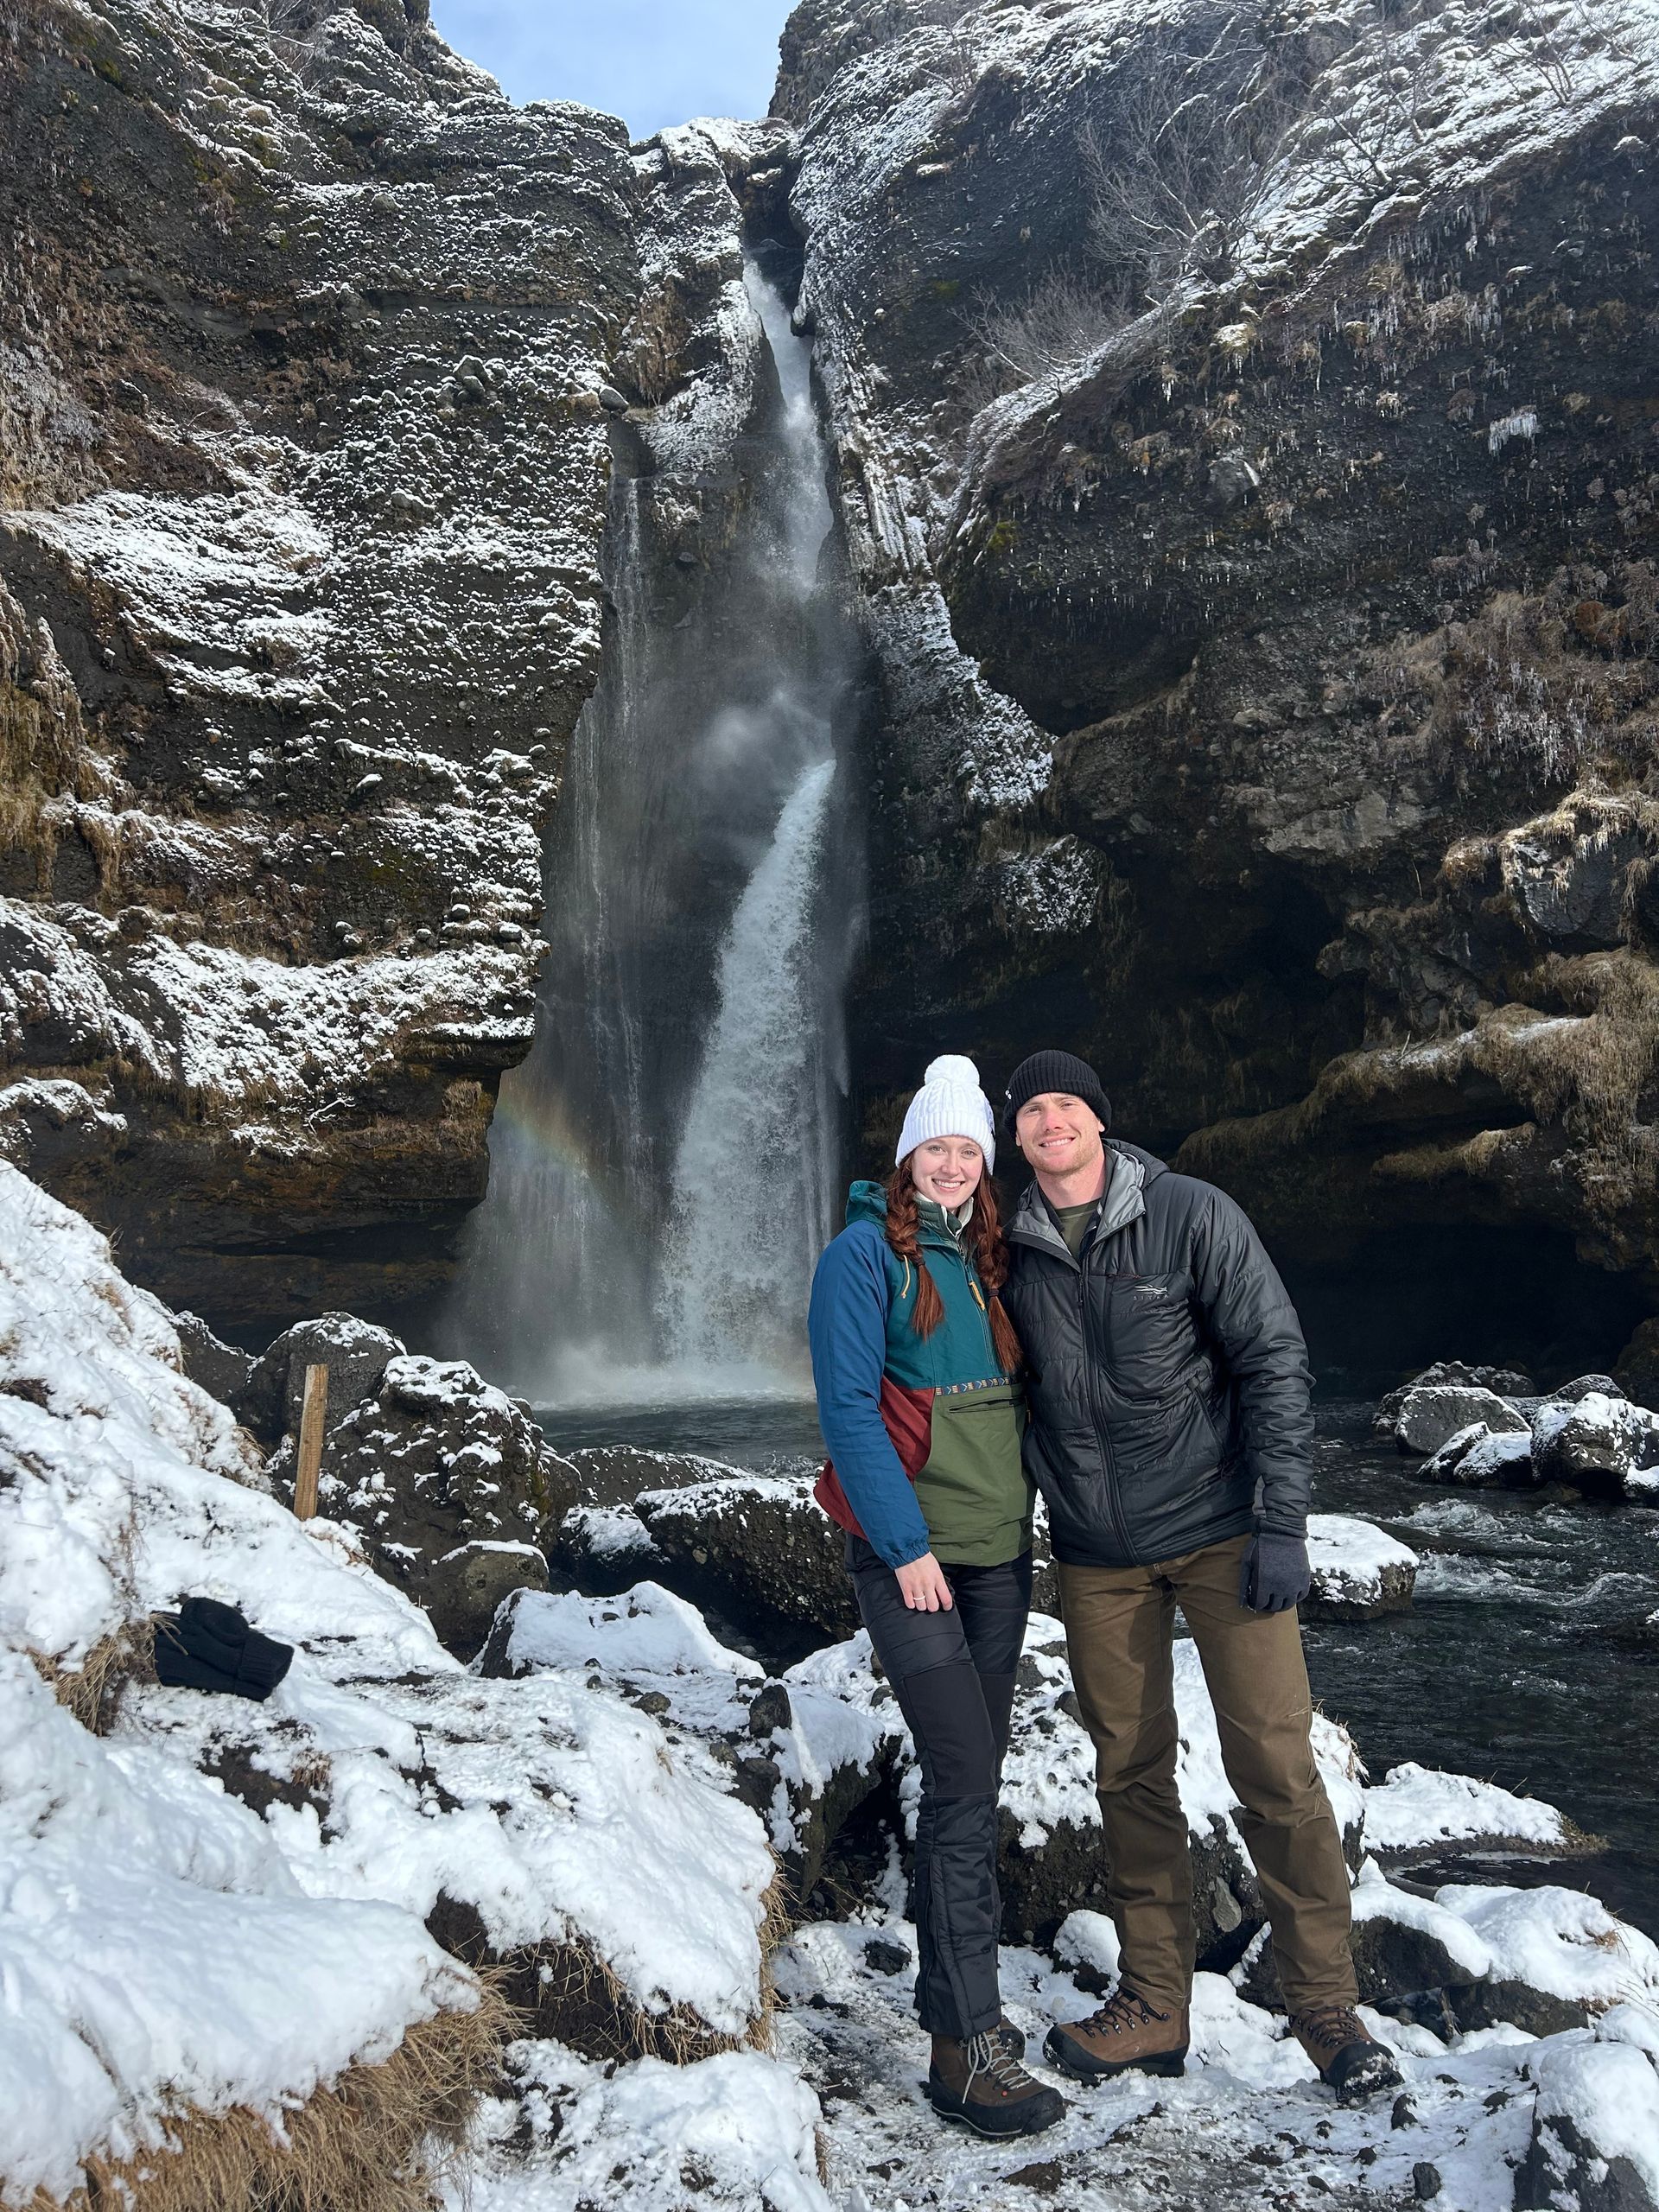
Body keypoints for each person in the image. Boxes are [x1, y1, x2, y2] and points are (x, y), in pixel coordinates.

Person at [996, 1049, 1402, 2107]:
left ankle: (1324, 2010)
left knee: (1273, 1762)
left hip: (1223, 1532)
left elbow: (1273, 1356)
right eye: (1032, 1109)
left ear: (1099, 1119)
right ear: (1017, 1131)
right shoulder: (1004, 1243)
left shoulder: (1190, 1213)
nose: (1051, 1122)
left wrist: (1283, 1522)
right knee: (1129, 1773)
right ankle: (1155, 2006)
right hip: (1096, 1554)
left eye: (1067, 1105)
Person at [808, 1054, 1066, 2139]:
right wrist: (905, 1544)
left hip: (1000, 1557)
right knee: (961, 1772)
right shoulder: (861, 1255)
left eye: (970, 1149)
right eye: (938, 1146)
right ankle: (966, 2044)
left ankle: (947, 2008)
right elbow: (848, 1411)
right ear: (906, 1153)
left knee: (970, 1781)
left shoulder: (990, 1259)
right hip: (912, 1560)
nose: (954, 1163)